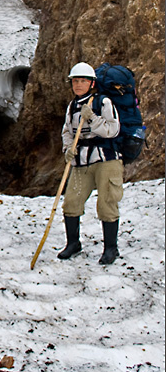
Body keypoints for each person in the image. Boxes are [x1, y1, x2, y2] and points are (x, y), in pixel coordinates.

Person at [59, 62, 123, 264]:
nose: (78, 85)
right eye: (75, 81)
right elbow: (67, 132)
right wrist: (68, 149)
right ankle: (73, 243)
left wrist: (93, 118)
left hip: (106, 159)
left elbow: (112, 130)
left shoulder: (103, 102)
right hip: (81, 160)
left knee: (106, 203)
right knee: (71, 202)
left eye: (82, 81)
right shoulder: (72, 106)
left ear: (91, 83)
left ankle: (111, 249)